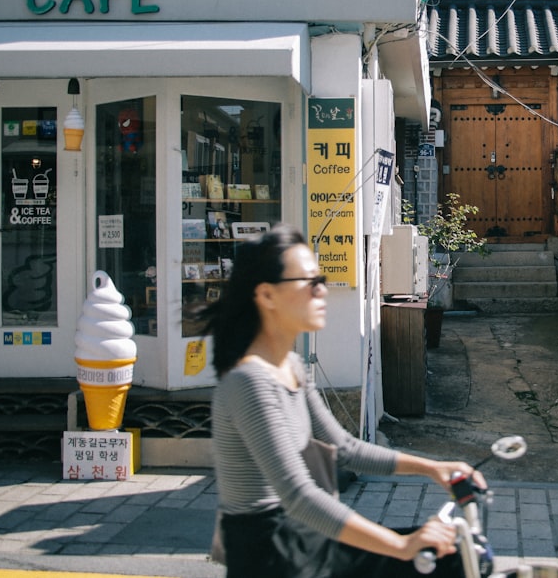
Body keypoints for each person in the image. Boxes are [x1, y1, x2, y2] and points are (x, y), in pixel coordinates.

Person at [192, 224, 482, 578]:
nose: (322, 291)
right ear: (267, 295)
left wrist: (433, 468)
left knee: (448, 554)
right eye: (310, 283)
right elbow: (298, 495)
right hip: (271, 555)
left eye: (322, 280)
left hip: (302, 539)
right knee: (434, 560)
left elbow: (344, 448)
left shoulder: (291, 366)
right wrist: (401, 546)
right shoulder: (249, 382)